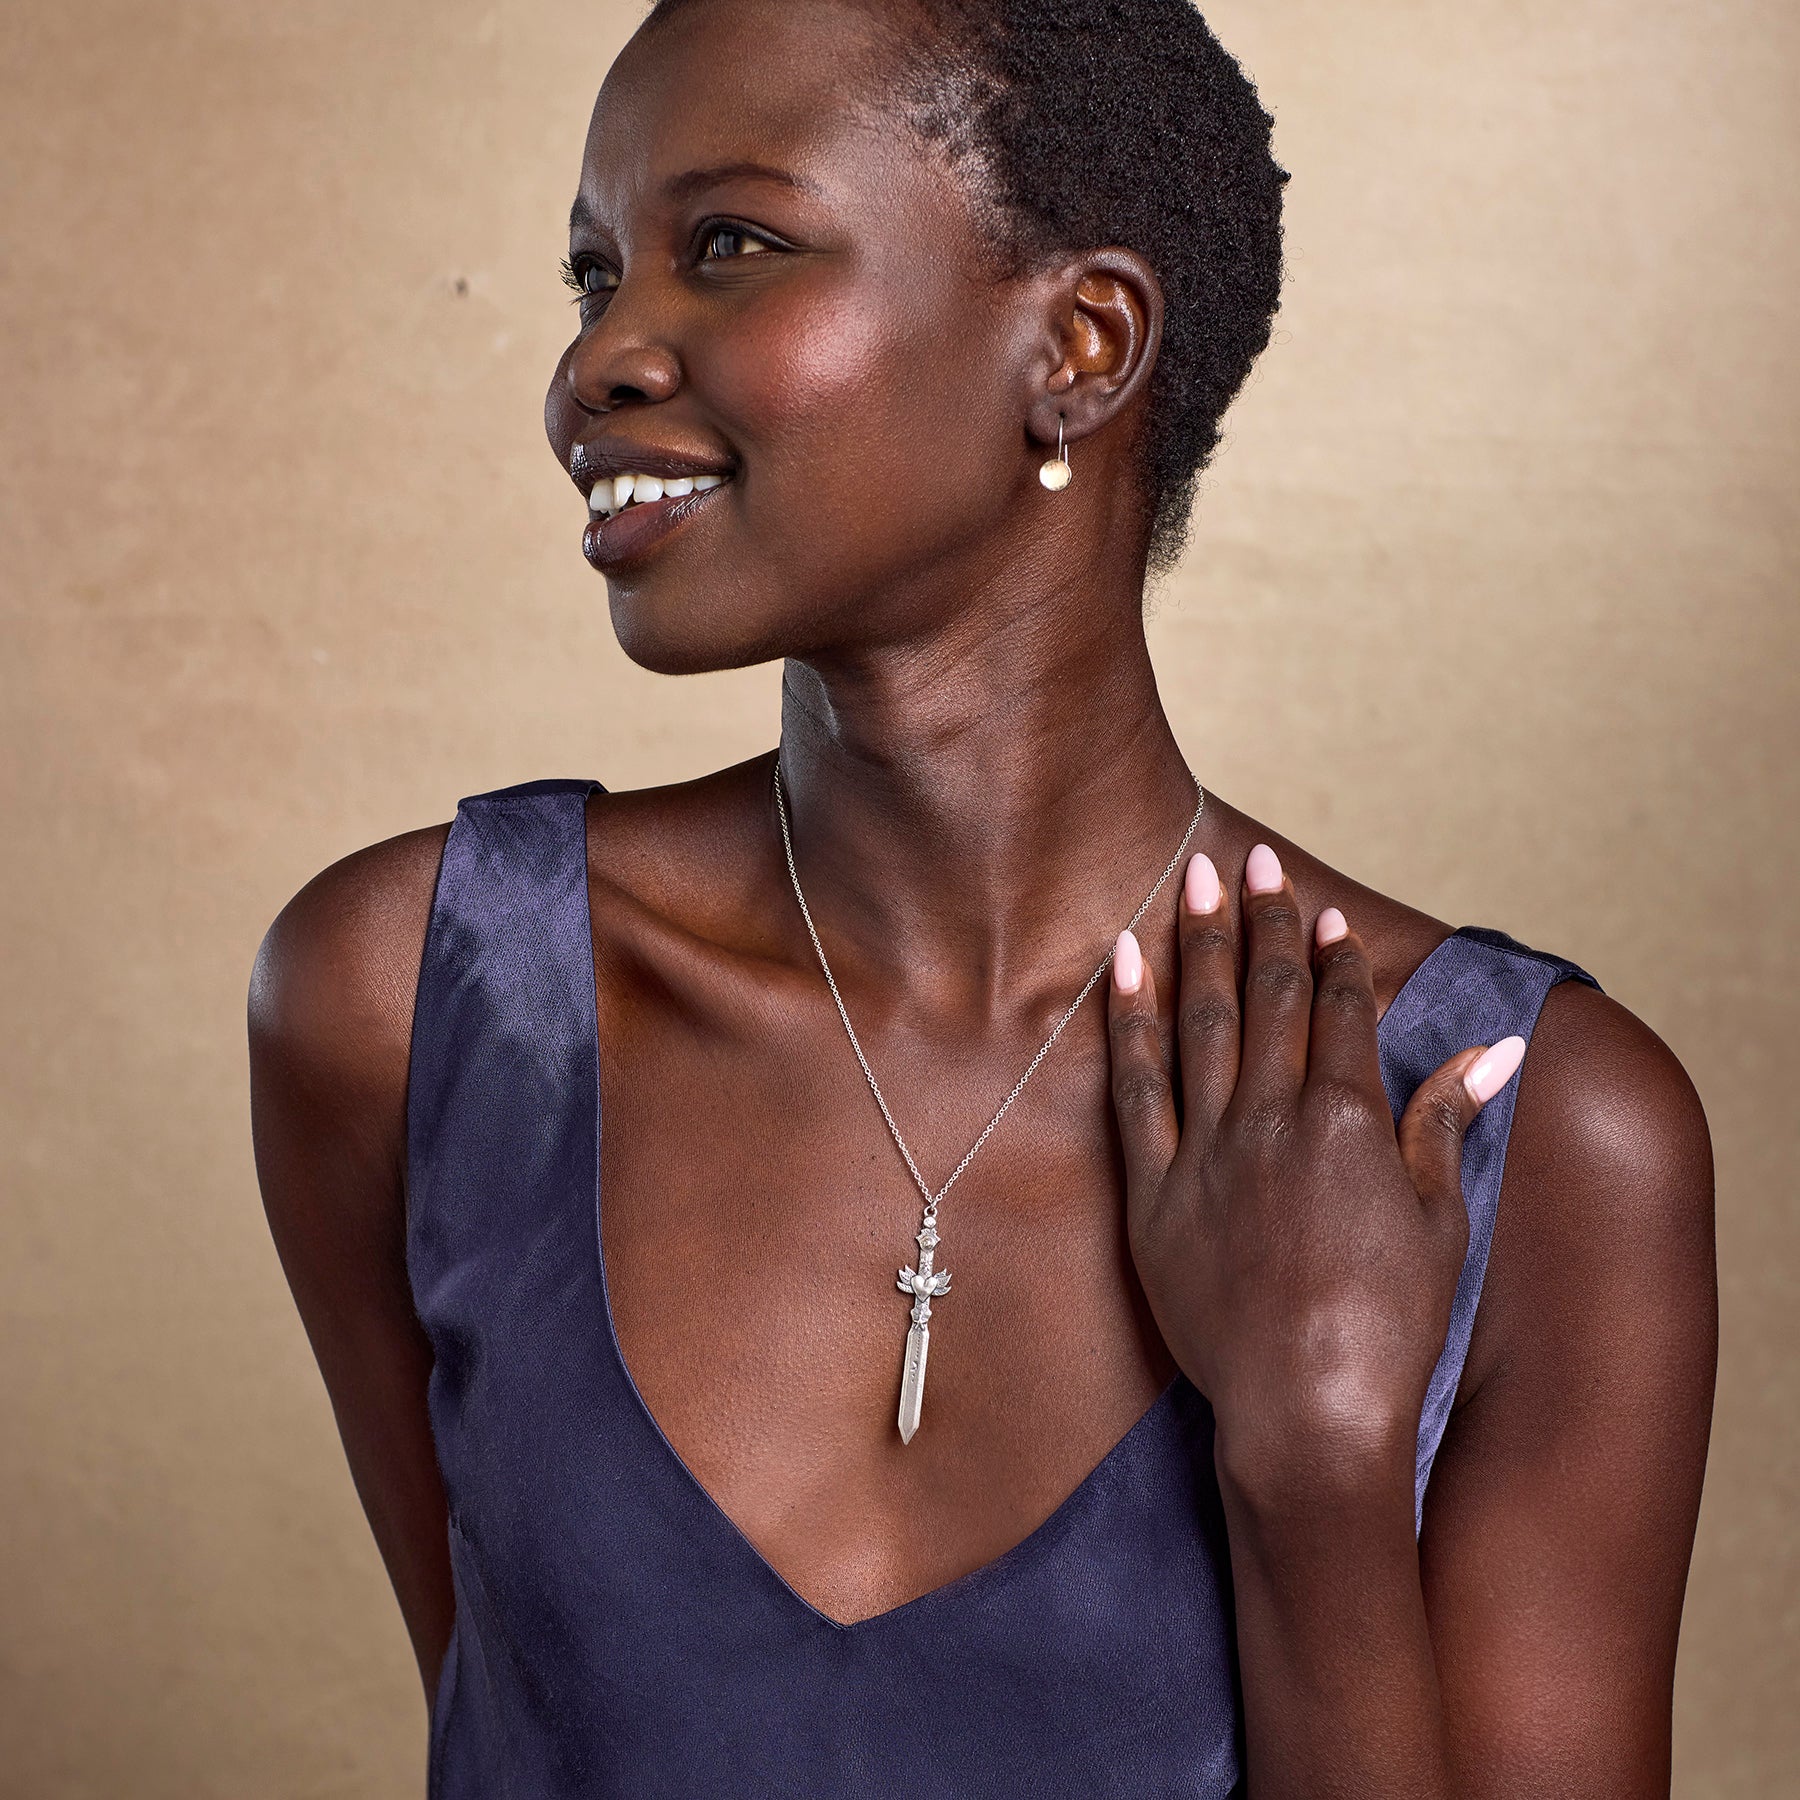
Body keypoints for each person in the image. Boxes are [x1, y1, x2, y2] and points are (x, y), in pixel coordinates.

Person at [247, 1, 1717, 1793]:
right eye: (592, 275)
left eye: (732, 245)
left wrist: (1319, 1467)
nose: (597, 361)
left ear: (1081, 345)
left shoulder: (1528, 1139)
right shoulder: (418, 1006)